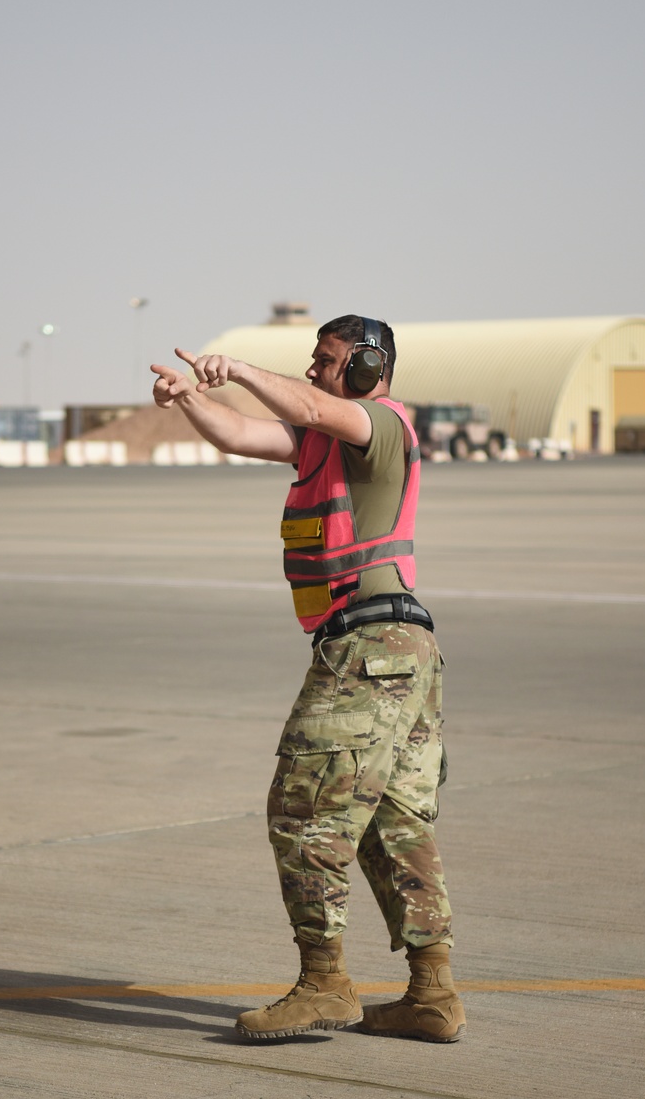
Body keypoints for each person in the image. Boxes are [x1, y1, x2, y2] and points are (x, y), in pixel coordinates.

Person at [150, 315, 465, 1043]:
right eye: (313, 360)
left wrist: (241, 367)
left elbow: (310, 406)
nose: (315, 370)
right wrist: (187, 399)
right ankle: (433, 993)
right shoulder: (323, 444)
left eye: (326, 361)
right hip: (397, 649)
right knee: (393, 821)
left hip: (372, 644)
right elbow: (241, 434)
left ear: (365, 368)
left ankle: (324, 982)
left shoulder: (379, 423)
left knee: (304, 808)